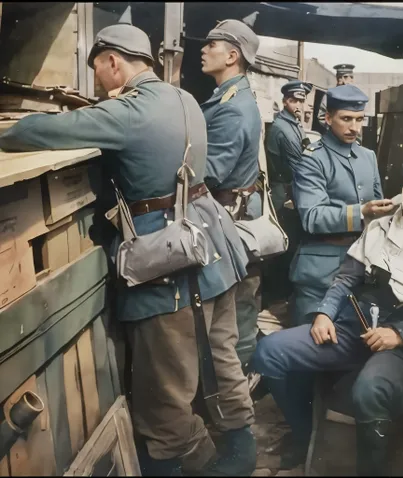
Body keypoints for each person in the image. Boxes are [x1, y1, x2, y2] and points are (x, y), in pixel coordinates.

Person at [0, 23, 256, 477]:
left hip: (166, 262)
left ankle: (185, 466)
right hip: (214, 247)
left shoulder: (129, 111)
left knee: (164, 390)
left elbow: (39, 133)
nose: (98, 80)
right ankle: (241, 450)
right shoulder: (186, 99)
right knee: (222, 357)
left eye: (98, 69)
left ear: (114, 62)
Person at [252, 156, 403, 475]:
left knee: (370, 390)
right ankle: (306, 434)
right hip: (352, 330)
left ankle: (371, 469)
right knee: (270, 352)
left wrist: (401, 336)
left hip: (397, 346)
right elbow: (347, 278)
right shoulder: (377, 227)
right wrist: (324, 315)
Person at [289, 84, 391, 326]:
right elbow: (312, 217)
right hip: (320, 272)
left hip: (360, 268)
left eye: (359, 119)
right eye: (346, 119)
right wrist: (362, 212)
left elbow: (377, 204)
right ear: (327, 118)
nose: (354, 127)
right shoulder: (313, 159)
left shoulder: (368, 156)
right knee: (309, 344)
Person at [200, 19, 263, 369]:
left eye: (212, 45)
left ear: (232, 55)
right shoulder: (229, 97)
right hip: (234, 212)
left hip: (229, 215)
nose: (204, 50)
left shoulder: (233, 106)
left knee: (235, 309)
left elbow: (211, 171)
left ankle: (239, 390)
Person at [262, 80, 312, 307]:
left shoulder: (294, 123)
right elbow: (299, 167)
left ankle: (279, 296)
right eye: (294, 100)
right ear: (285, 101)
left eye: (302, 100)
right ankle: (276, 299)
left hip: (288, 189)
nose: (299, 105)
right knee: (283, 248)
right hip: (283, 193)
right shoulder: (284, 128)